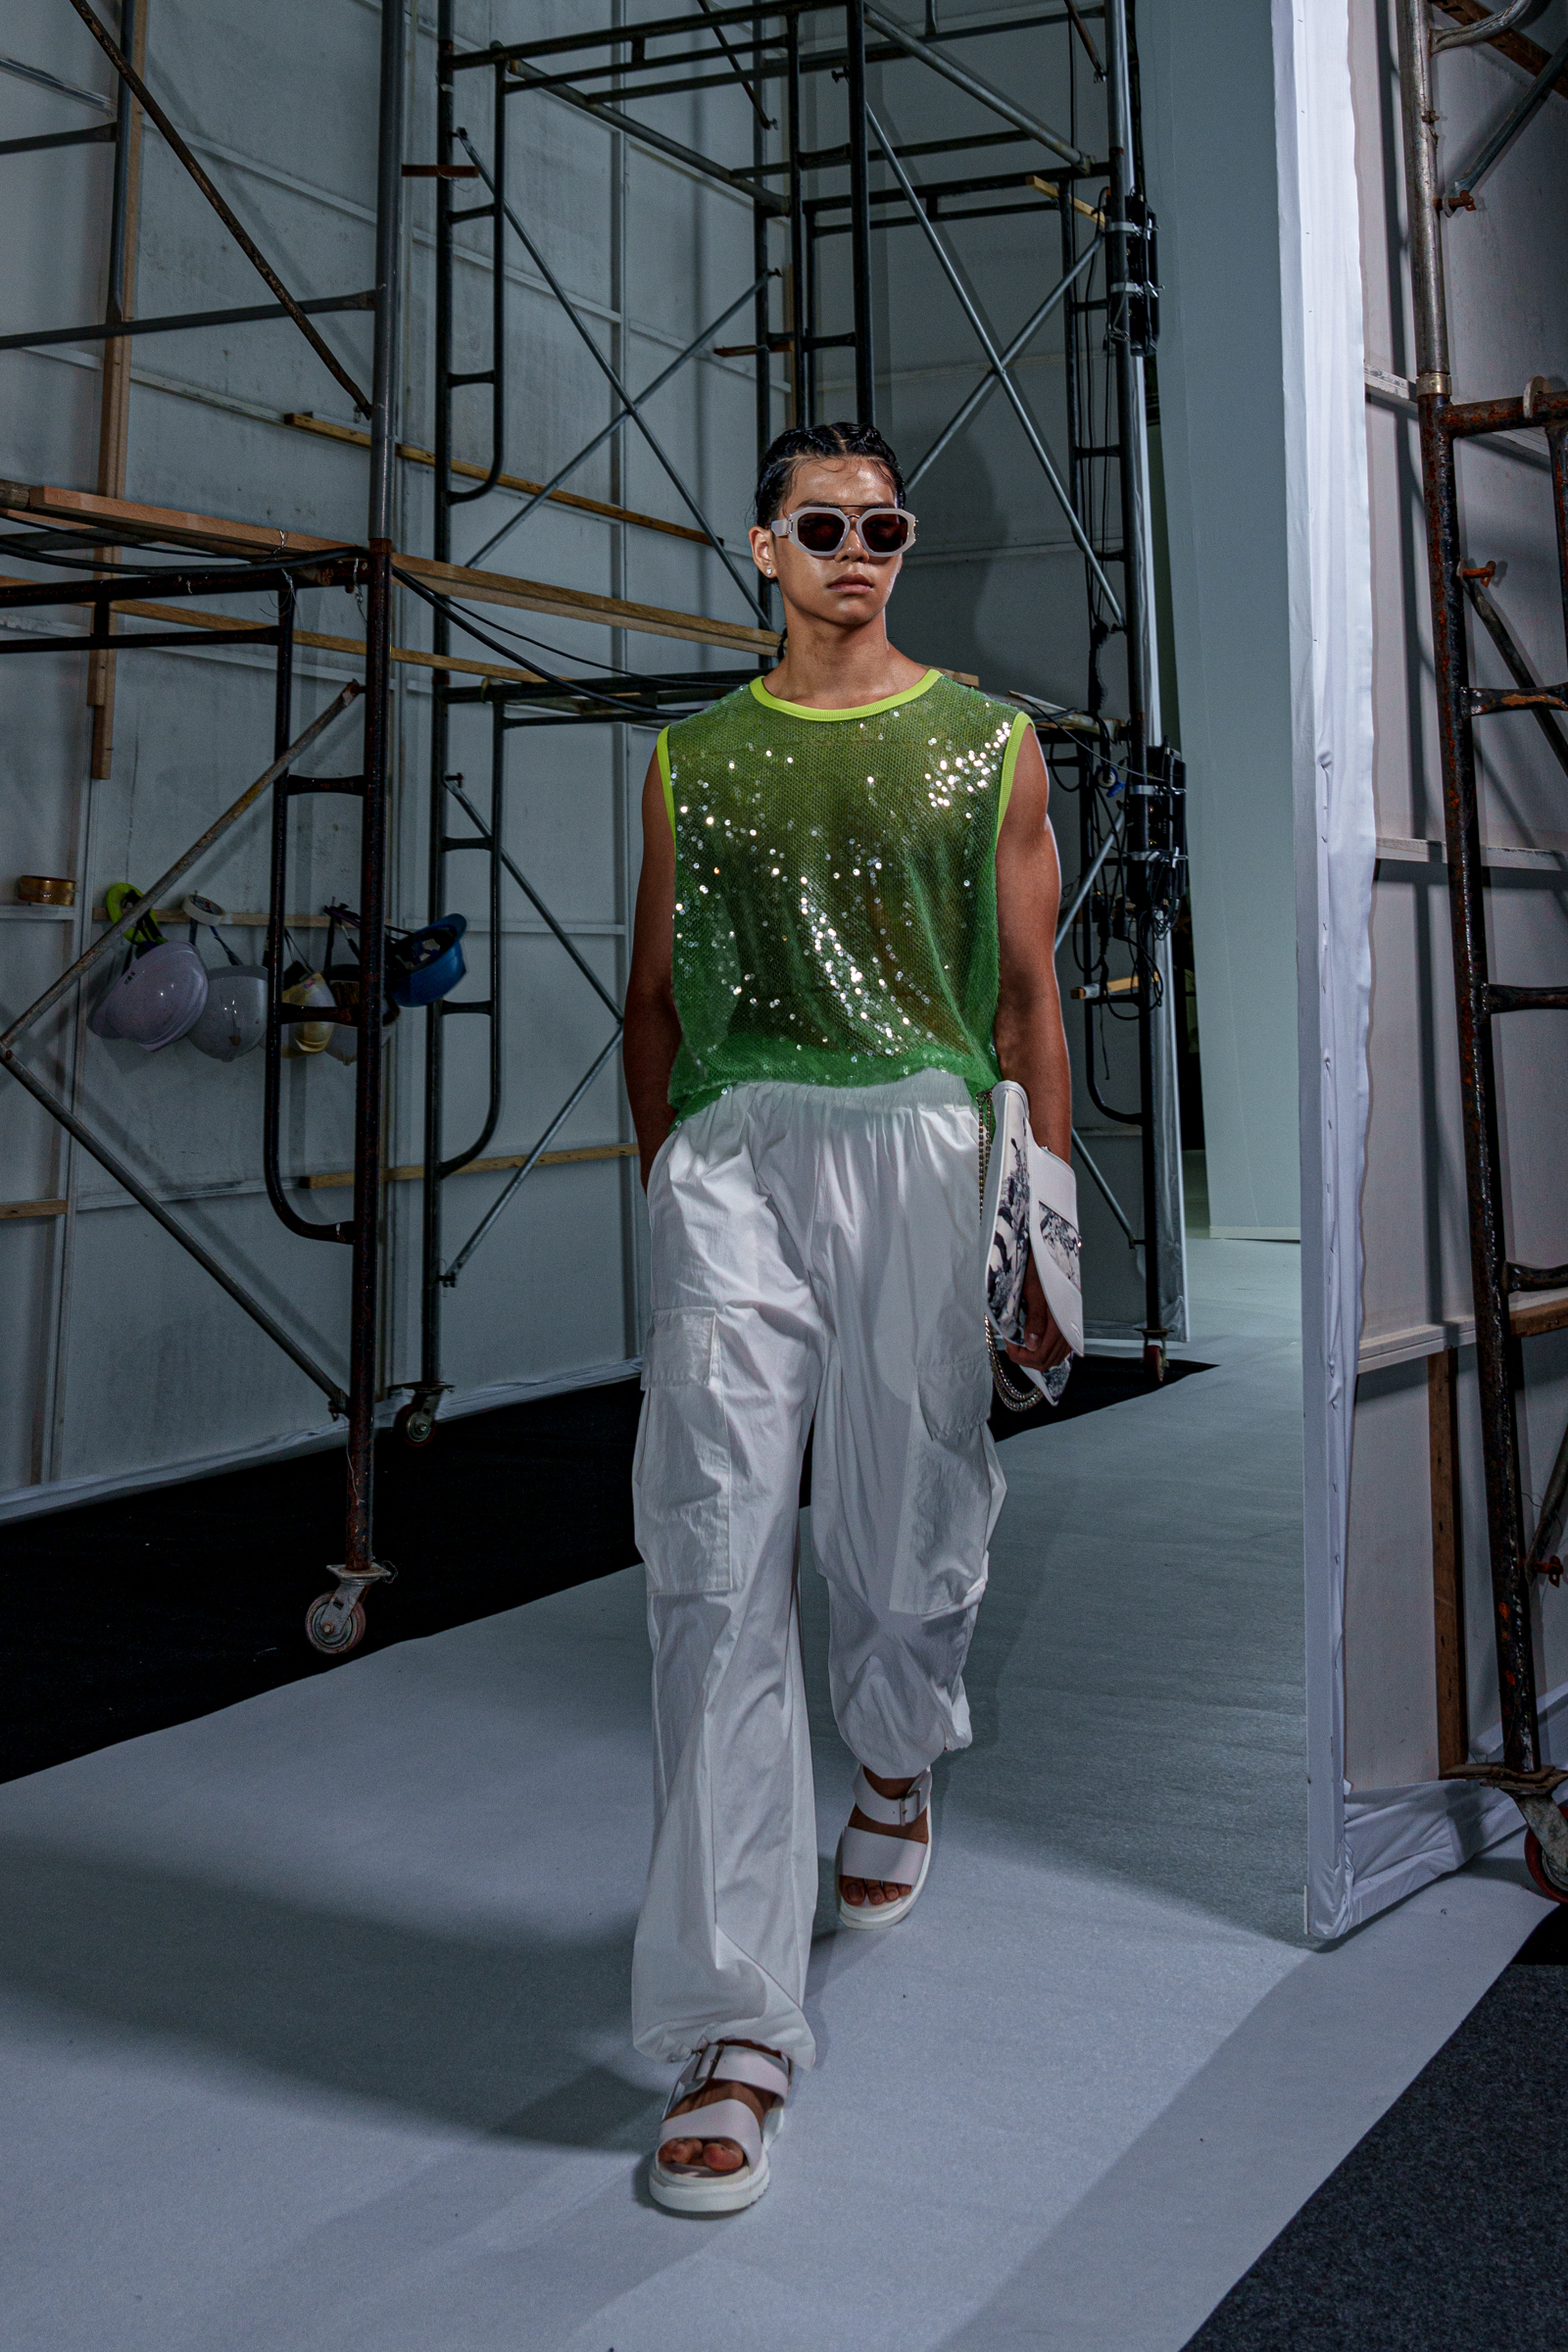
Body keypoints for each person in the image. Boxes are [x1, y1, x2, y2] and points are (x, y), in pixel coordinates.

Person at [622, 420, 1072, 2215]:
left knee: (903, 1528)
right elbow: (654, 997)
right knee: (714, 1555)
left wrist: (1041, 1234)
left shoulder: (987, 743)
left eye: (885, 529)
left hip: (923, 1145)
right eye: (827, 527)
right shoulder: (692, 760)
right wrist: (673, 1181)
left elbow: (1027, 998)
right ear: (764, 547)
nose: (861, 553)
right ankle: (735, 2026)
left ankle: (895, 1747)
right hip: (738, 1150)